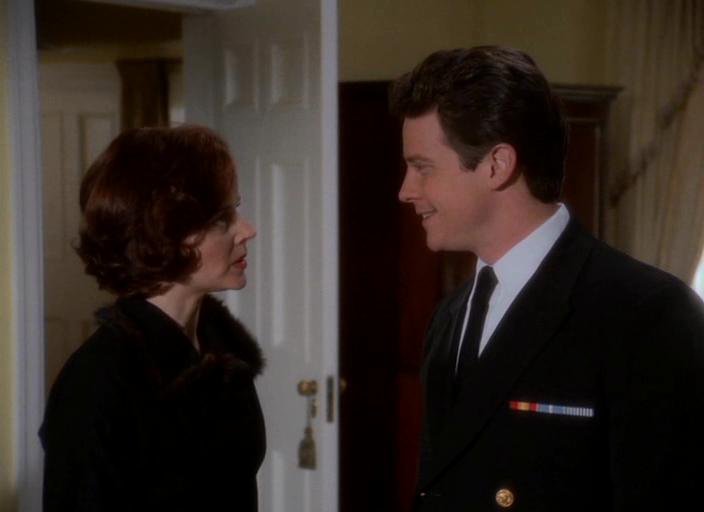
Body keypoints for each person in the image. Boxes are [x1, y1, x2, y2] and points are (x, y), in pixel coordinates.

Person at [391, 46, 704, 511]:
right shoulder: (450, 316)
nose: (405, 190)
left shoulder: (649, 314)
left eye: (422, 168)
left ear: (497, 165)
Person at [40, 125, 263, 512]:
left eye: (236, 210)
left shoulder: (221, 355)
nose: (247, 230)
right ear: (165, 235)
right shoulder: (97, 381)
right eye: (222, 218)